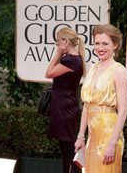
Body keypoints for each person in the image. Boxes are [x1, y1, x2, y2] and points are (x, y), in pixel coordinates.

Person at [75, 24, 127, 173]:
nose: (100, 47)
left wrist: (112, 144)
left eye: (105, 43)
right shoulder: (93, 68)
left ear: (115, 45)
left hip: (109, 134)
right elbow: (87, 105)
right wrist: (81, 136)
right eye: (97, 43)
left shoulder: (119, 71)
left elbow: (123, 111)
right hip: (92, 136)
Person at [45, 27, 86, 173]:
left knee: (69, 150)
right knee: (66, 149)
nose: (56, 45)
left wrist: (58, 53)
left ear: (65, 41)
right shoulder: (74, 59)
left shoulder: (70, 60)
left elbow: (48, 73)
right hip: (65, 107)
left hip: (64, 109)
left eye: (58, 41)